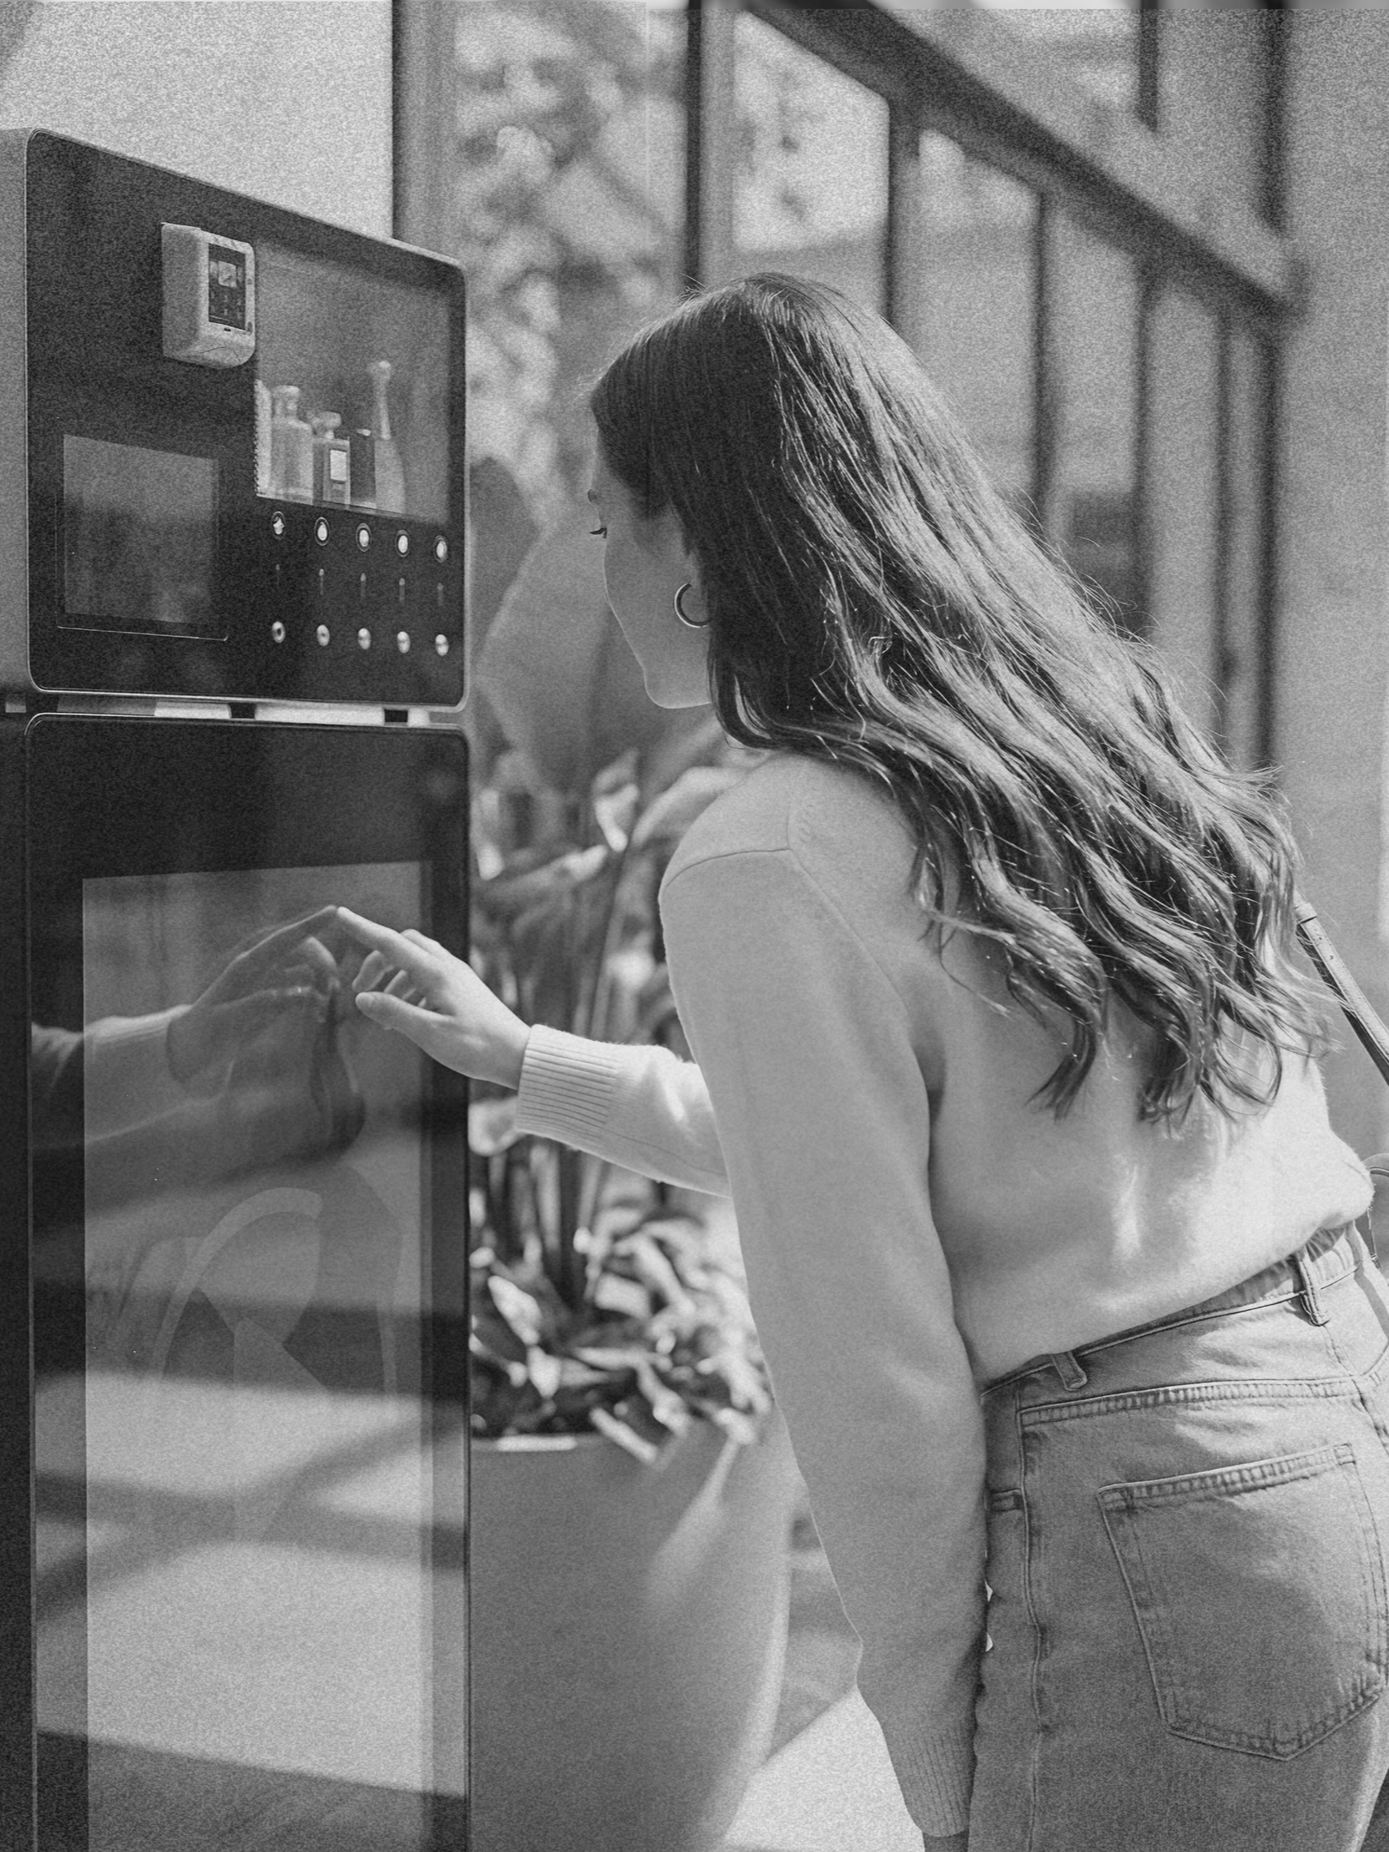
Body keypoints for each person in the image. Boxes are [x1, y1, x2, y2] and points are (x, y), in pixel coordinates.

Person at [335, 273, 1389, 1852]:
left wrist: (945, 1770)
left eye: (614, 519)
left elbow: (876, 1380)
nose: (601, 566)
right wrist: (525, 1059)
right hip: (1333, 1423)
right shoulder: (1093, 743)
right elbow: (961, 1160)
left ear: (700, 540)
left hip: (1148, 1527)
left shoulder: (767, 848)